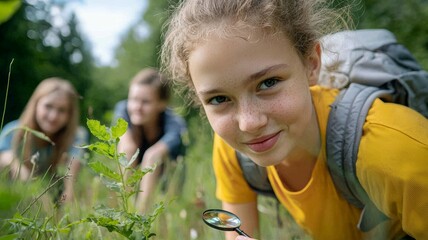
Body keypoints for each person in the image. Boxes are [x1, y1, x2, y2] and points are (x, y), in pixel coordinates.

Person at [160, 0, 428, 239]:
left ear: (311, 63)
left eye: (268, 82)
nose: (249, 123)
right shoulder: (234, 149)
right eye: (219, 99)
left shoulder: (395, 151)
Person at [0, 77, 88, 203]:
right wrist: (36, 193)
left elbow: (72, 178)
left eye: (62, 110)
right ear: (36, 104)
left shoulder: (77, 135)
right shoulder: (13, 130)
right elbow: (7, 162)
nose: (53, 116)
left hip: (55, 197)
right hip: (16, 195)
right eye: (48, 106)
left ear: (70, 114)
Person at [112, 67, 187, 213]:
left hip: (167, 177)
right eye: (133, 99)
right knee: (128, 149)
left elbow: (154, 156)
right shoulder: (122, 109)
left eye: (145, 102)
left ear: (162, 104)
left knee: (152, 156)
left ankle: (141, 215)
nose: (137, 107)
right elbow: (127, 147)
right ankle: (125, 211)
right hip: (134, 169)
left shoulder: (175, 124)